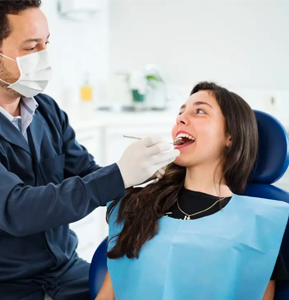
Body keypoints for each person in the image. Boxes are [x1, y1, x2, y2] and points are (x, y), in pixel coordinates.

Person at [0, 1, 180, 300]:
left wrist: (150, 181)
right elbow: (17, 209)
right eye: (30, 48)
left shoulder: (45, 110)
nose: (44, 57)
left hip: (60, 273)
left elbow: (88, 176)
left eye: (46, 44)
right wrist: (118, 175)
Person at [96, 82, 289, 300]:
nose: (180, 119)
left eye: (200, 111)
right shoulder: (137, 205)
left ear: (230, 137)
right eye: (180, 112)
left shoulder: (260, 226)